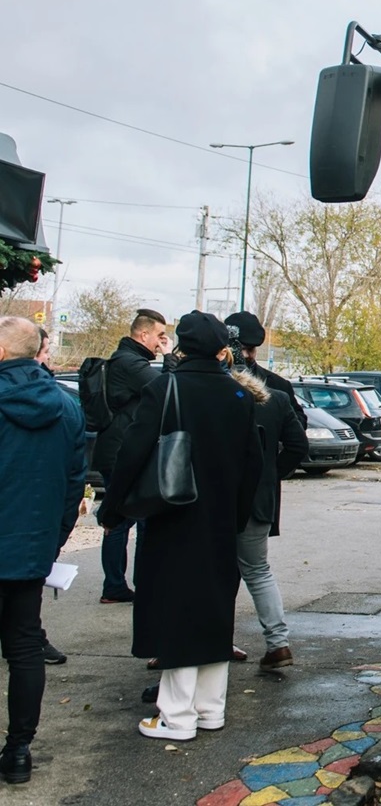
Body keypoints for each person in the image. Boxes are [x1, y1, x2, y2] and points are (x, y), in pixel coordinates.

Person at [97, 311, 262, 741]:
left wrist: (113, 509)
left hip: (172, 516)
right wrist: (236, 517)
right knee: (213, 610)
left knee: (176, 611)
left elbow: (132, 453)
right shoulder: (239, 396)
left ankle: (176, 717)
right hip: (221, 522)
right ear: (222, 349)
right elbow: (253, 467)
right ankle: (211, 710)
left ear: (182, 347)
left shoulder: (164, 387)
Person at [0, 316, 87, 783]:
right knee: (25, 646)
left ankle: (17, 751)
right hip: (31, 548)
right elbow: (74, 486)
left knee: (24, 646)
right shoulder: (67, 406)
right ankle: (18, 751)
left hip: (26, 544)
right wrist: (52, 540)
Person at [229, 336, 308, 671]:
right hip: (259, 499)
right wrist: (273, 474)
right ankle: (278, 643)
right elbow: (298, 445)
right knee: (258, 571)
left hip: (219, 500)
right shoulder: (275, 398)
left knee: (215, 572)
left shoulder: (220, 397)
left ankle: (211, 640)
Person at [93, 307, 170, 604]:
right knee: (122, 520)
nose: (161, 342)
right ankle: (116, 586)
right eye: (160, 336)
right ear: (144, 334)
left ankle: (126, 583)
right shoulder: (130, 363)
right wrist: (169, 357)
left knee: (128, 517)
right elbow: (163, 388)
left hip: (120, 449)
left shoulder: (125, 359)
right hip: (122, 452)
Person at [31, 328, 71, 669]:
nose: (49, 358)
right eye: (45, 351)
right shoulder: (62, 404)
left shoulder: (61, 403)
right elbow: (74, 473)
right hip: (36, 523)